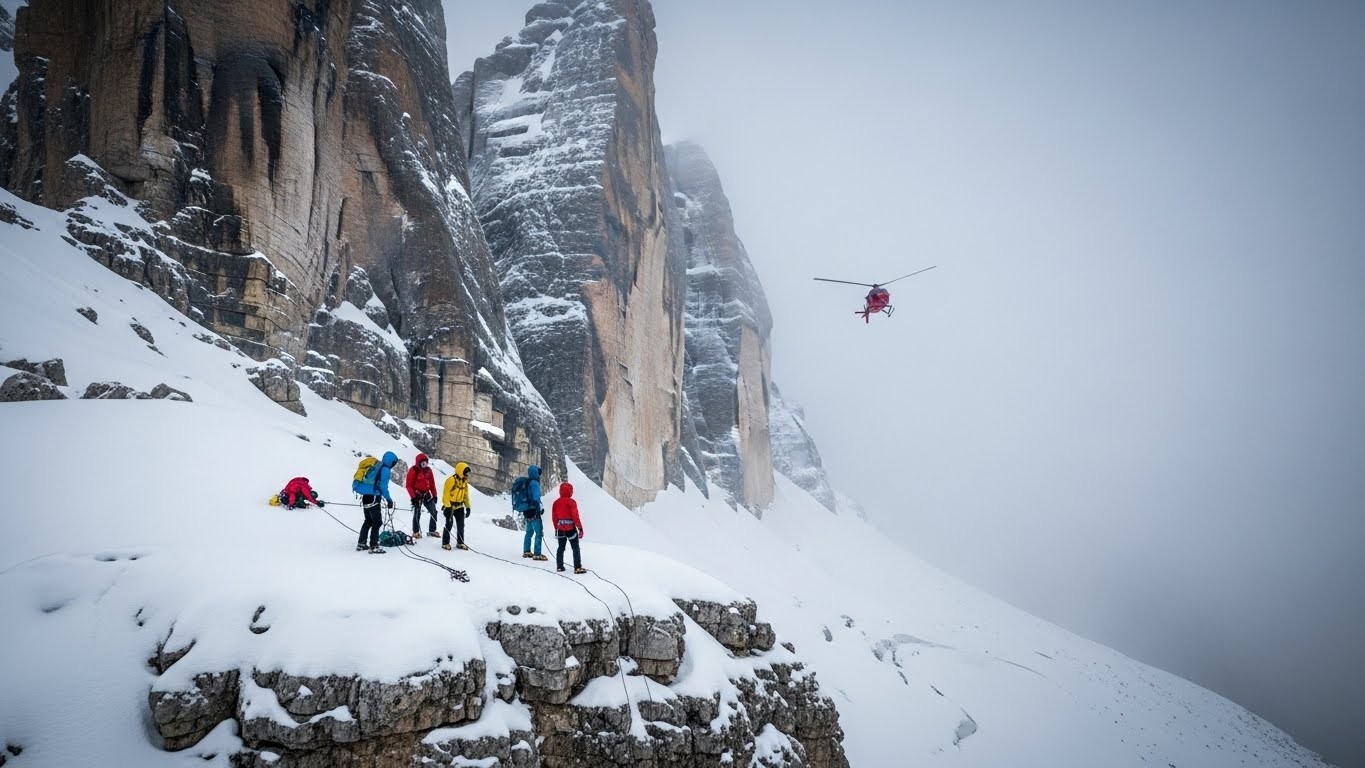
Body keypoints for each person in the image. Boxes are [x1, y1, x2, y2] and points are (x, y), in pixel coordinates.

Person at [352, 451, 398, 554]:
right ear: (391, 462)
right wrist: (389, 500)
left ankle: (361, 544)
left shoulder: (377, 465)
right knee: (377, 522)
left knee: (368, 520)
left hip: (365, 496)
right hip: (374, 497)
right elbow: (383, 487)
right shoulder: (385, 470)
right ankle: (374, 546)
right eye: (394, 463)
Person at [551, 481, 585, 574]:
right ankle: (577, 567)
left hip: (560, 529)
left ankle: (559, 566)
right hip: (571, 529)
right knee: (575, 548)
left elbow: (554, 518)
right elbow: (575, 516)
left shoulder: (556, 503)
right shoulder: (572, 502)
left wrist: (556, 528)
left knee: (561, 548)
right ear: (570, 491)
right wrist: (580, 528)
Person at [516, 465, 547, 560]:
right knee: (538, 532)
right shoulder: (534, 483)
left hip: (526, 510)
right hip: (534, 511)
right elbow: (536, 498)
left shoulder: (526, 482)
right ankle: (537, 553)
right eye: (538, 473)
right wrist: (539, 509)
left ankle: (526, 551)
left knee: (529, 532)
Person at [405, 452, 439, 539]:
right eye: (423, 463)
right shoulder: (413, 471)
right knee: (417, 513)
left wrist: (434, 495)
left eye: (426, 463)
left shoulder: (428, 471)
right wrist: (413, 498)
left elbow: (432, 484)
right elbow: (409, 486)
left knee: (434, 511)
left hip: (427, 494)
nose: (425, 465)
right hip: (417, 495)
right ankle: (416, 532)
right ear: (418, 463)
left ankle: (432, 530)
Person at [441, 461, 473, 551]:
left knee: (461, 525)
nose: (467, 474)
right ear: (460, 471)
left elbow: (465, 495)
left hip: (459, 507)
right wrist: (448, 506)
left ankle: (460, 542)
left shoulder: (464, 482)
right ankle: (445, 543)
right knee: (449, 525)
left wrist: (468, 507)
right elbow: (445, 495)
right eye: (465, 472)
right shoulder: (451, 480)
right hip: (450, 507)